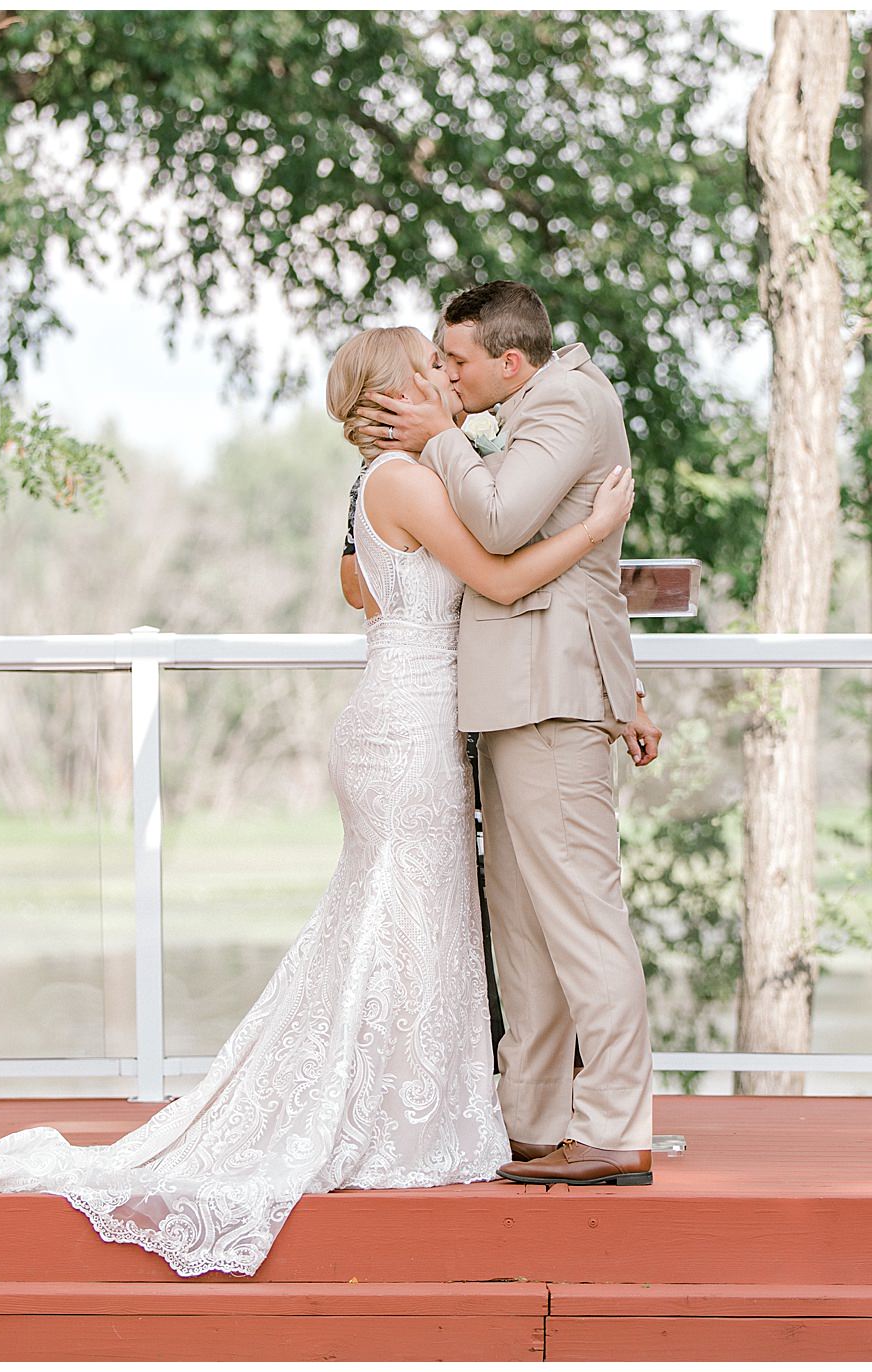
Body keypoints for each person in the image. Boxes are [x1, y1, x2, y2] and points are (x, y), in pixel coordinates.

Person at [0, 325, 635, 1278]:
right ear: (396, 390)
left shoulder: (394, 481)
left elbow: (368, 584)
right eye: (429, 368)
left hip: (408, 721)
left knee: (407, 922)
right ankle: (394, 1113)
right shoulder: (408, 480)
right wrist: (596, 534)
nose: (443, 381)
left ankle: (413, 1106)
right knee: (402, 919)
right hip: (407, 732)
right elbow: (499, 576)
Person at [357, 280, 663, 1186]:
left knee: (580, 913)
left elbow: (498, 521)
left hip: (550, 694)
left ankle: (612, 1123)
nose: (444, 379)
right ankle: (529, 1117)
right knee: (521, 922)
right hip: (506, 693)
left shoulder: (568, 398)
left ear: (511, 361)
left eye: (454, 362)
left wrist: (440, 442)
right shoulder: (519, 408)